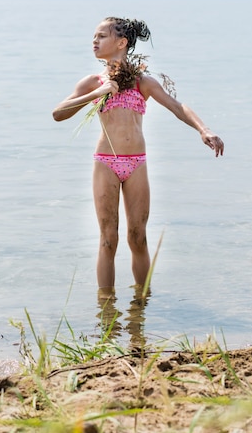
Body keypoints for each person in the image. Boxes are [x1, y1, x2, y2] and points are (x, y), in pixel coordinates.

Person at [52, 17, 224, 291]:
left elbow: (178, 107)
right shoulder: (93, 81)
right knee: (108, 239)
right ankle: (106, 311)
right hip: (106, 163)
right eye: (93, 36)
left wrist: (204, 130)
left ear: (121, 43)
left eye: (101, 36)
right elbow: (58, 113)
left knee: (138, 237)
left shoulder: (142, 82)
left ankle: (141, 308)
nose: (94, 41)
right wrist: (97, 93)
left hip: (136, 165)